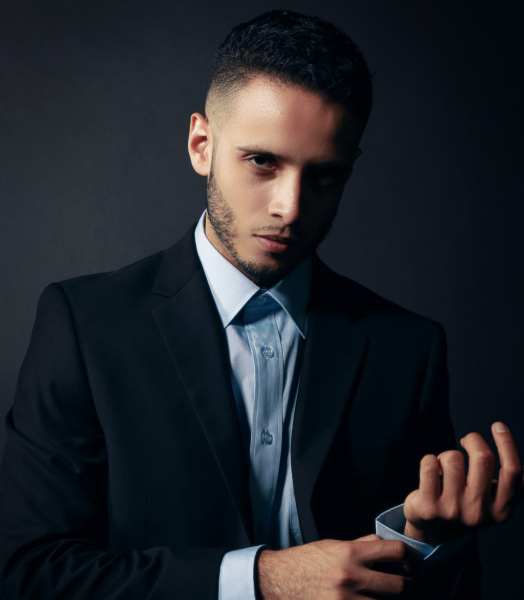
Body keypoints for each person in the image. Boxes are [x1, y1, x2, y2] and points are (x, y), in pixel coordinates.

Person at [0, 9, 522, 599]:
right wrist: (264, 579)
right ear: (201, 145)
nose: (290, 208)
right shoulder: (84, 326)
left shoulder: (407, 349)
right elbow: (29, 573)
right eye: (262, 162)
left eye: (323, 177)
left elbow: (453, 588)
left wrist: (422, 539)